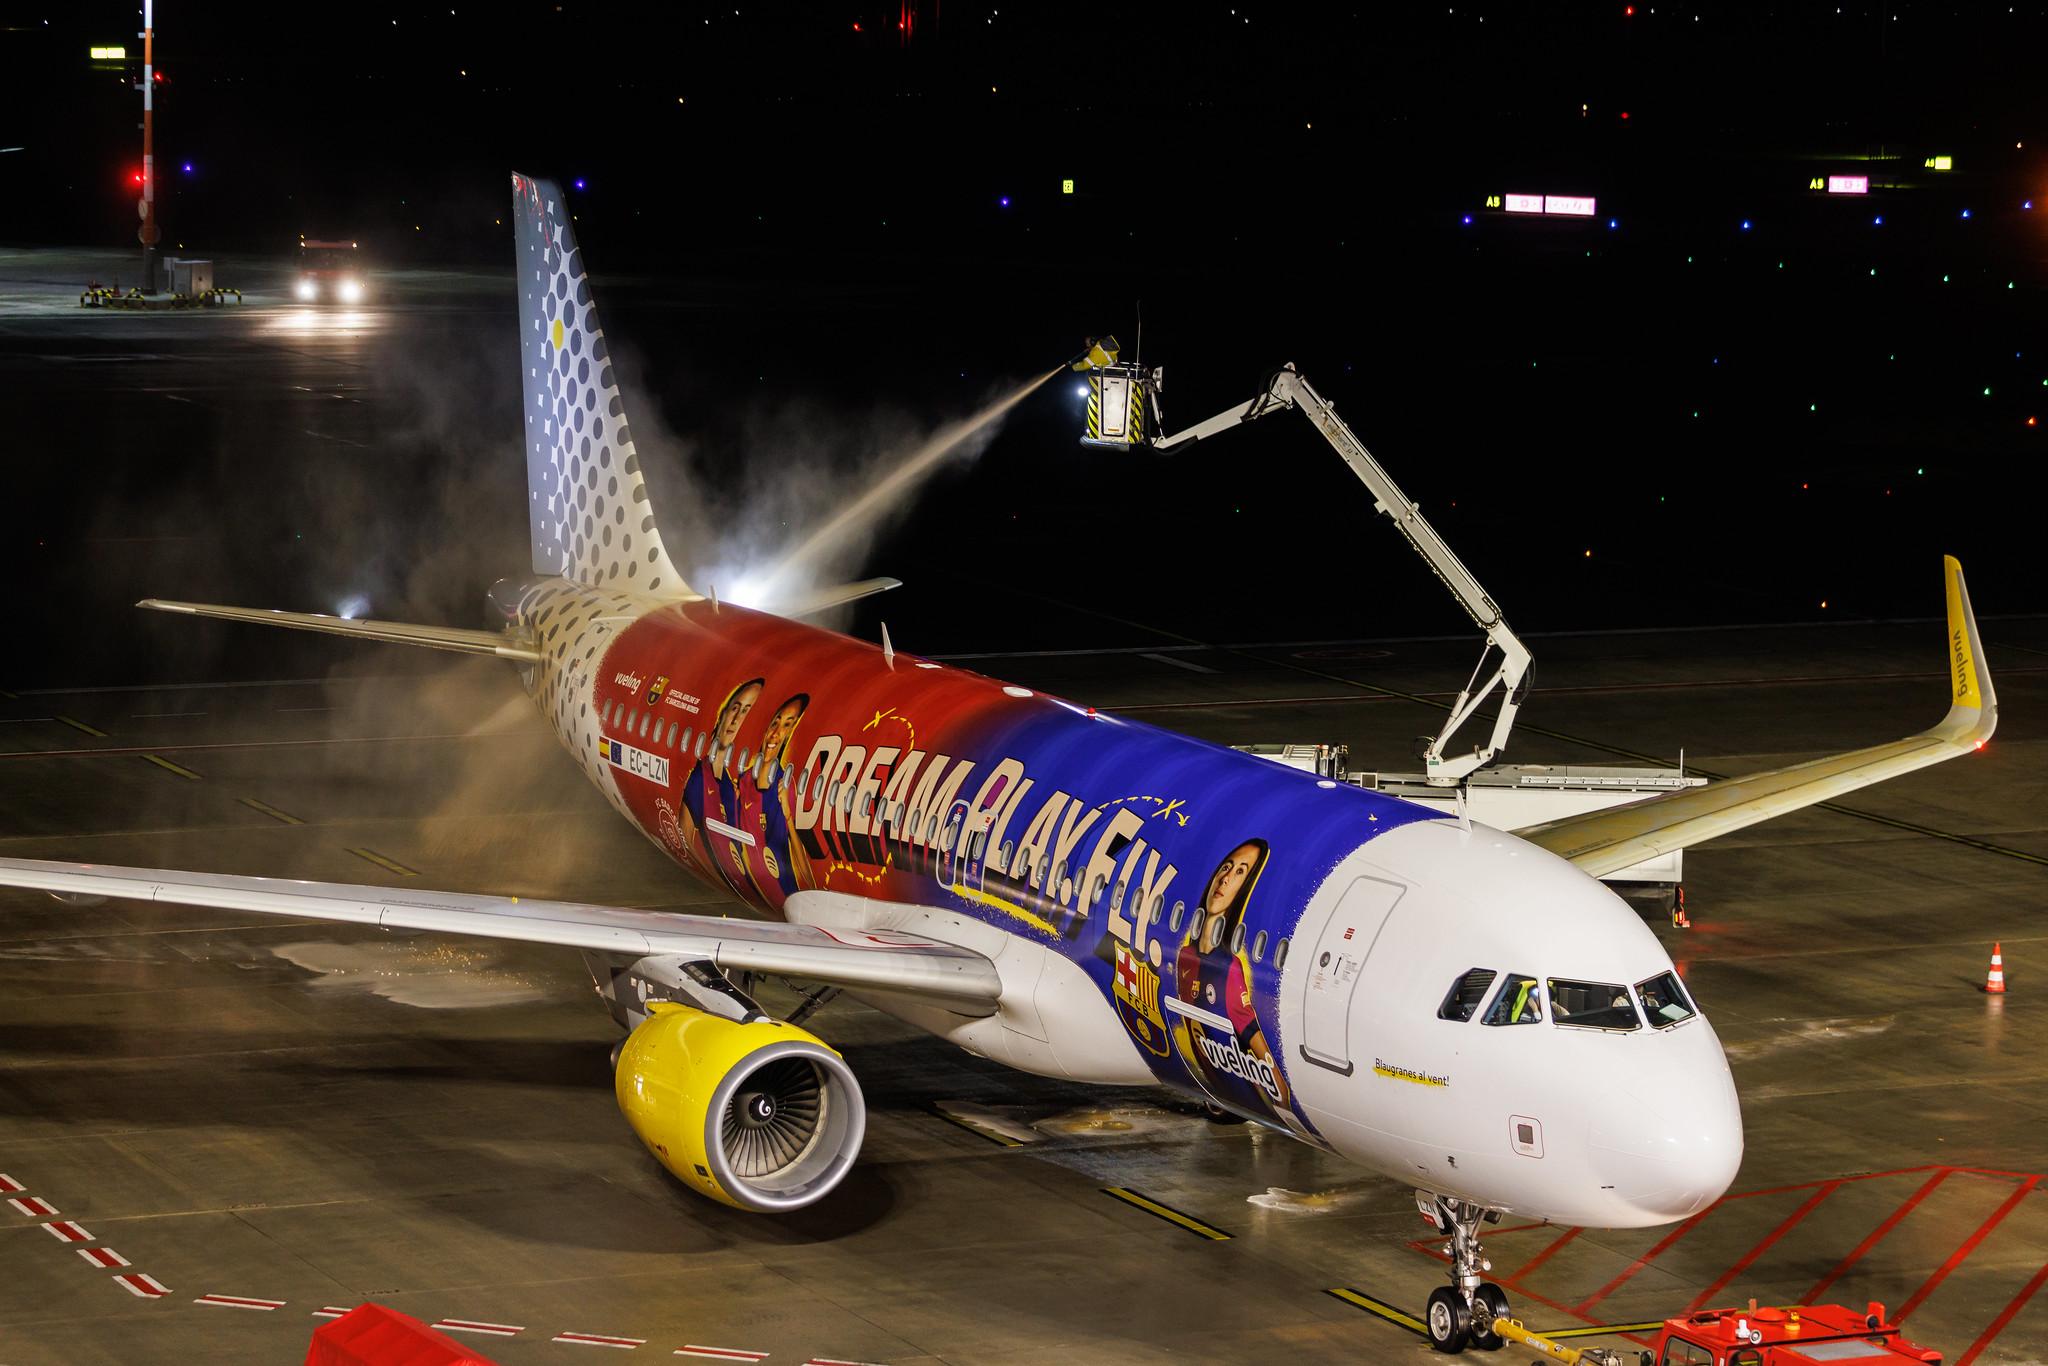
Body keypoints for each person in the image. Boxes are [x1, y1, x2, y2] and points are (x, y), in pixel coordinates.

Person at [1173, 838, 1293, 1116]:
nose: (1226, 878)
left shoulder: (1228, 967)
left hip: (1234, 1086)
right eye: (1227, 867)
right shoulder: (1186, 956)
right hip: (1213, 1080)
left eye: (1240, 872)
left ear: (1243, 888)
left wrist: (1281, 1097)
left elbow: (1249, 1030)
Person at [679, 677, 762, 894]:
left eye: (745, 711)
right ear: (723, 713)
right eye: (735, 708)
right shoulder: (700, 779)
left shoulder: (729, 783)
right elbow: (685, 840)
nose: (736, 719)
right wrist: (724, 881)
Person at [733, 692, 812, 911]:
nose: (776, 733)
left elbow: (806, 874)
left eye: (787, 725)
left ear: (790, 735)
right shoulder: (743, 781)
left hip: (787, 898)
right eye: (775, 722)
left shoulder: (782, 789)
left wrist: (788, 815)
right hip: (754, 889)